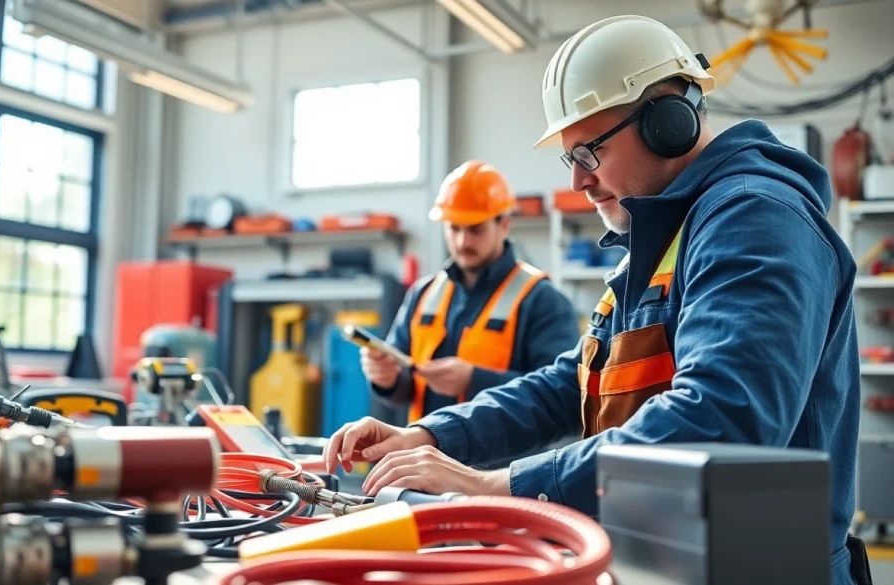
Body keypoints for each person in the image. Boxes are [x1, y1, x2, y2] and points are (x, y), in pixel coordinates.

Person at [327, 14, 866, 585]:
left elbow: (724, 417)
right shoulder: (660, 240)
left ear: (669, 122)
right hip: (662, 554)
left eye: (590, 153)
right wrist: (434, 434)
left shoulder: (756, 219)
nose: (580, 181)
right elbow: (575, 382)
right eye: (571, 159)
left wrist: (500, 486)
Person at [362, 159, 580, 425]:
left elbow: (561, 395)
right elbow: (405, 384)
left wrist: (474, 380)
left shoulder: (543, 300)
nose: (463, 241)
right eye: (454, 228)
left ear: (504, 225)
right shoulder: (423, 294)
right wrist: (388, 379)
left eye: (476, 229)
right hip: (423, 458)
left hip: (501, 466)